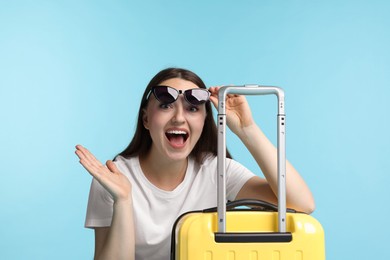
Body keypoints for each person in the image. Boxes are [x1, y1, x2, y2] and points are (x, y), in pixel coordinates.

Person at [75, 67, 315, 260]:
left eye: (192, 108)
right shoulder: (115, 179)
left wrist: (246, 129)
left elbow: (302, 203)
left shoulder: (216, 171)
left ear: (203, 121)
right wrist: (124, 200)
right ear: (147, 119)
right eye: (166, 105)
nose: (179, 117)